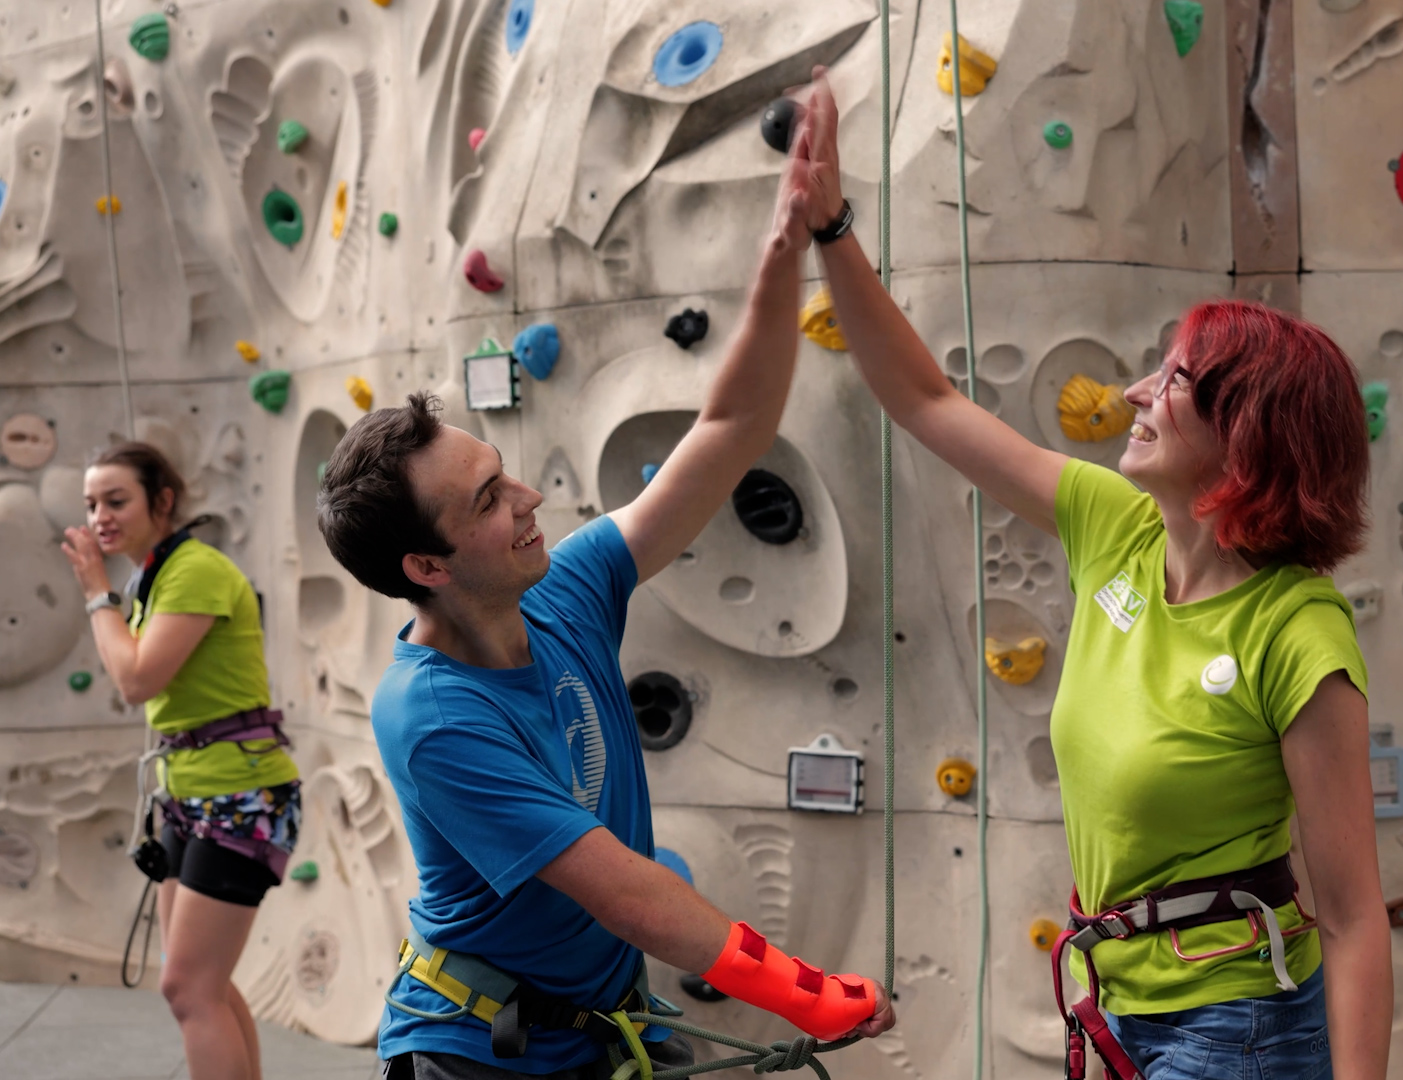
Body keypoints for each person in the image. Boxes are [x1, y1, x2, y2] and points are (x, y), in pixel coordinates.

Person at [793, 69, 1392, 1079]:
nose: (1133, 391)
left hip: (1238, 1024)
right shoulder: (1117, 528)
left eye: (1173, 379)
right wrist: (833, 228)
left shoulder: (1298, 632)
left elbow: (1354, 916)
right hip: (1114, 1003)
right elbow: (925, 400)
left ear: (1245, 435)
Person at [316, 79, 892, 1080]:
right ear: (426, 567)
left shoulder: (567, 587)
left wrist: (782, 254)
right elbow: (626, 895)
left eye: (505, 472)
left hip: (591, 1026)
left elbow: (726, 434)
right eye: (490, 499)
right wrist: (804, 994)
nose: (531, 496)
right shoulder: (434, 718)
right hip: (478, 1052)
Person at [61, 442, 297, 1080]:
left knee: (190, 989)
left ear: (162, 502)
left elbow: (137, 678)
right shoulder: (157, 575)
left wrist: (94, 595)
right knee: (201, 986)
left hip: (239, 794)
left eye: (116, 500)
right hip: (190, 793)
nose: (100, 516)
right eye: (91, 504)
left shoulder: (192, 569)